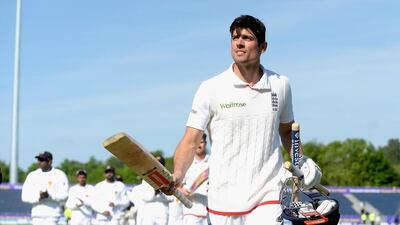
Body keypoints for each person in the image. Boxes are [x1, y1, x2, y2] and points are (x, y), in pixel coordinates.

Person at [164, 15, 322, 225]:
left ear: (263, 47)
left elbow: (286, 131)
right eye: (235, 37)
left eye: (247, 38)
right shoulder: (210, 88)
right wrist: (177, 174)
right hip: (223, 199)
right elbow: (191, 139)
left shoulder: (281, 84)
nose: (238, 42)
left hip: (268, 193)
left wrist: (301, 163)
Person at [21, 151, 69, 225]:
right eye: (38, 160)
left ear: (49, 162)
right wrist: (38, 197)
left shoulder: (59, 175)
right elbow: (24, 196)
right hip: (36, 214)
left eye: (42, 160)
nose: (39, 162)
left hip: (52, 214)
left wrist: (49, 196)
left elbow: (65, 195)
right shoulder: (32, 175)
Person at [130, 155, 173, 225]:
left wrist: (161, 193)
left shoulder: (168, 178)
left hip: (163, 211)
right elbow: (144, 197)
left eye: (160, 162)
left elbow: (172, 198)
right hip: (149, 211)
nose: (158, 164)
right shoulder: (146, 178)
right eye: (156, 162)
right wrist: (155, 192)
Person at [178, 133, 209, 225]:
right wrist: (181, 190)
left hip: (209, 210)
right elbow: (176, 185)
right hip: (191, 211)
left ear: (205, 143)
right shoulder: (187, 163)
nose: (199, 145)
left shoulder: (212, 161)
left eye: (201, 142)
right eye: (197, 142)